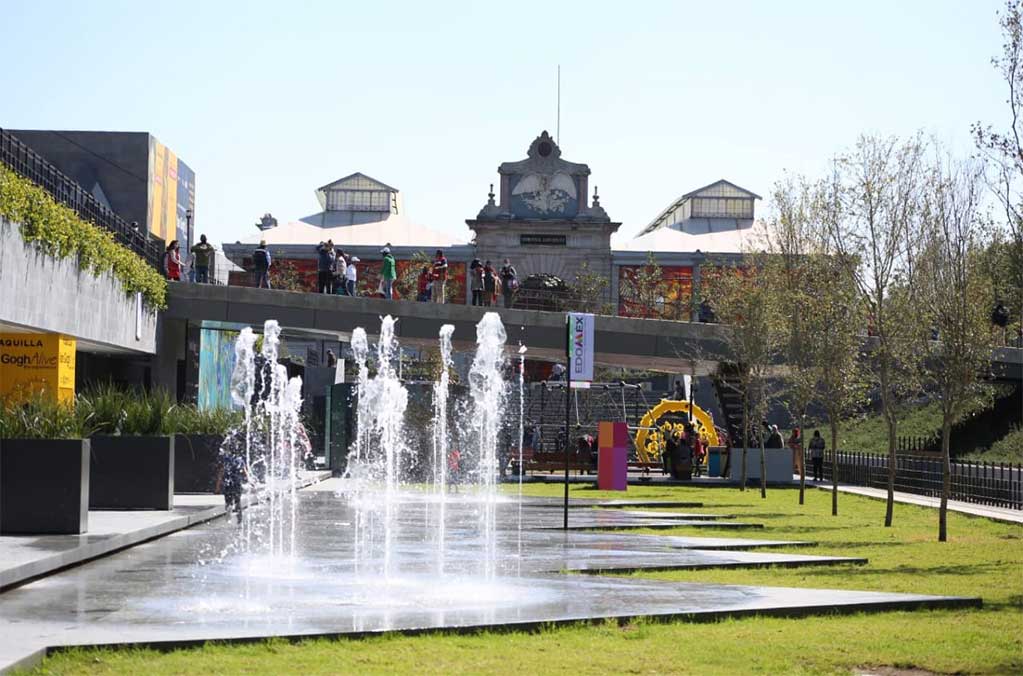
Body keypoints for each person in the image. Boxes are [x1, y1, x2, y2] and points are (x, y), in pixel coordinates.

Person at [214, 448, 247, 524]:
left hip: (228, 483)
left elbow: (221, 474)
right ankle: (239, 520)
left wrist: (217, 487)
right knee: (238, 501)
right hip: (237, 483)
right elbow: (245, 472)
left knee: (228, 501)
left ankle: (229, 509)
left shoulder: (226, 460)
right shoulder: (240, 460)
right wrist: (250, 481)